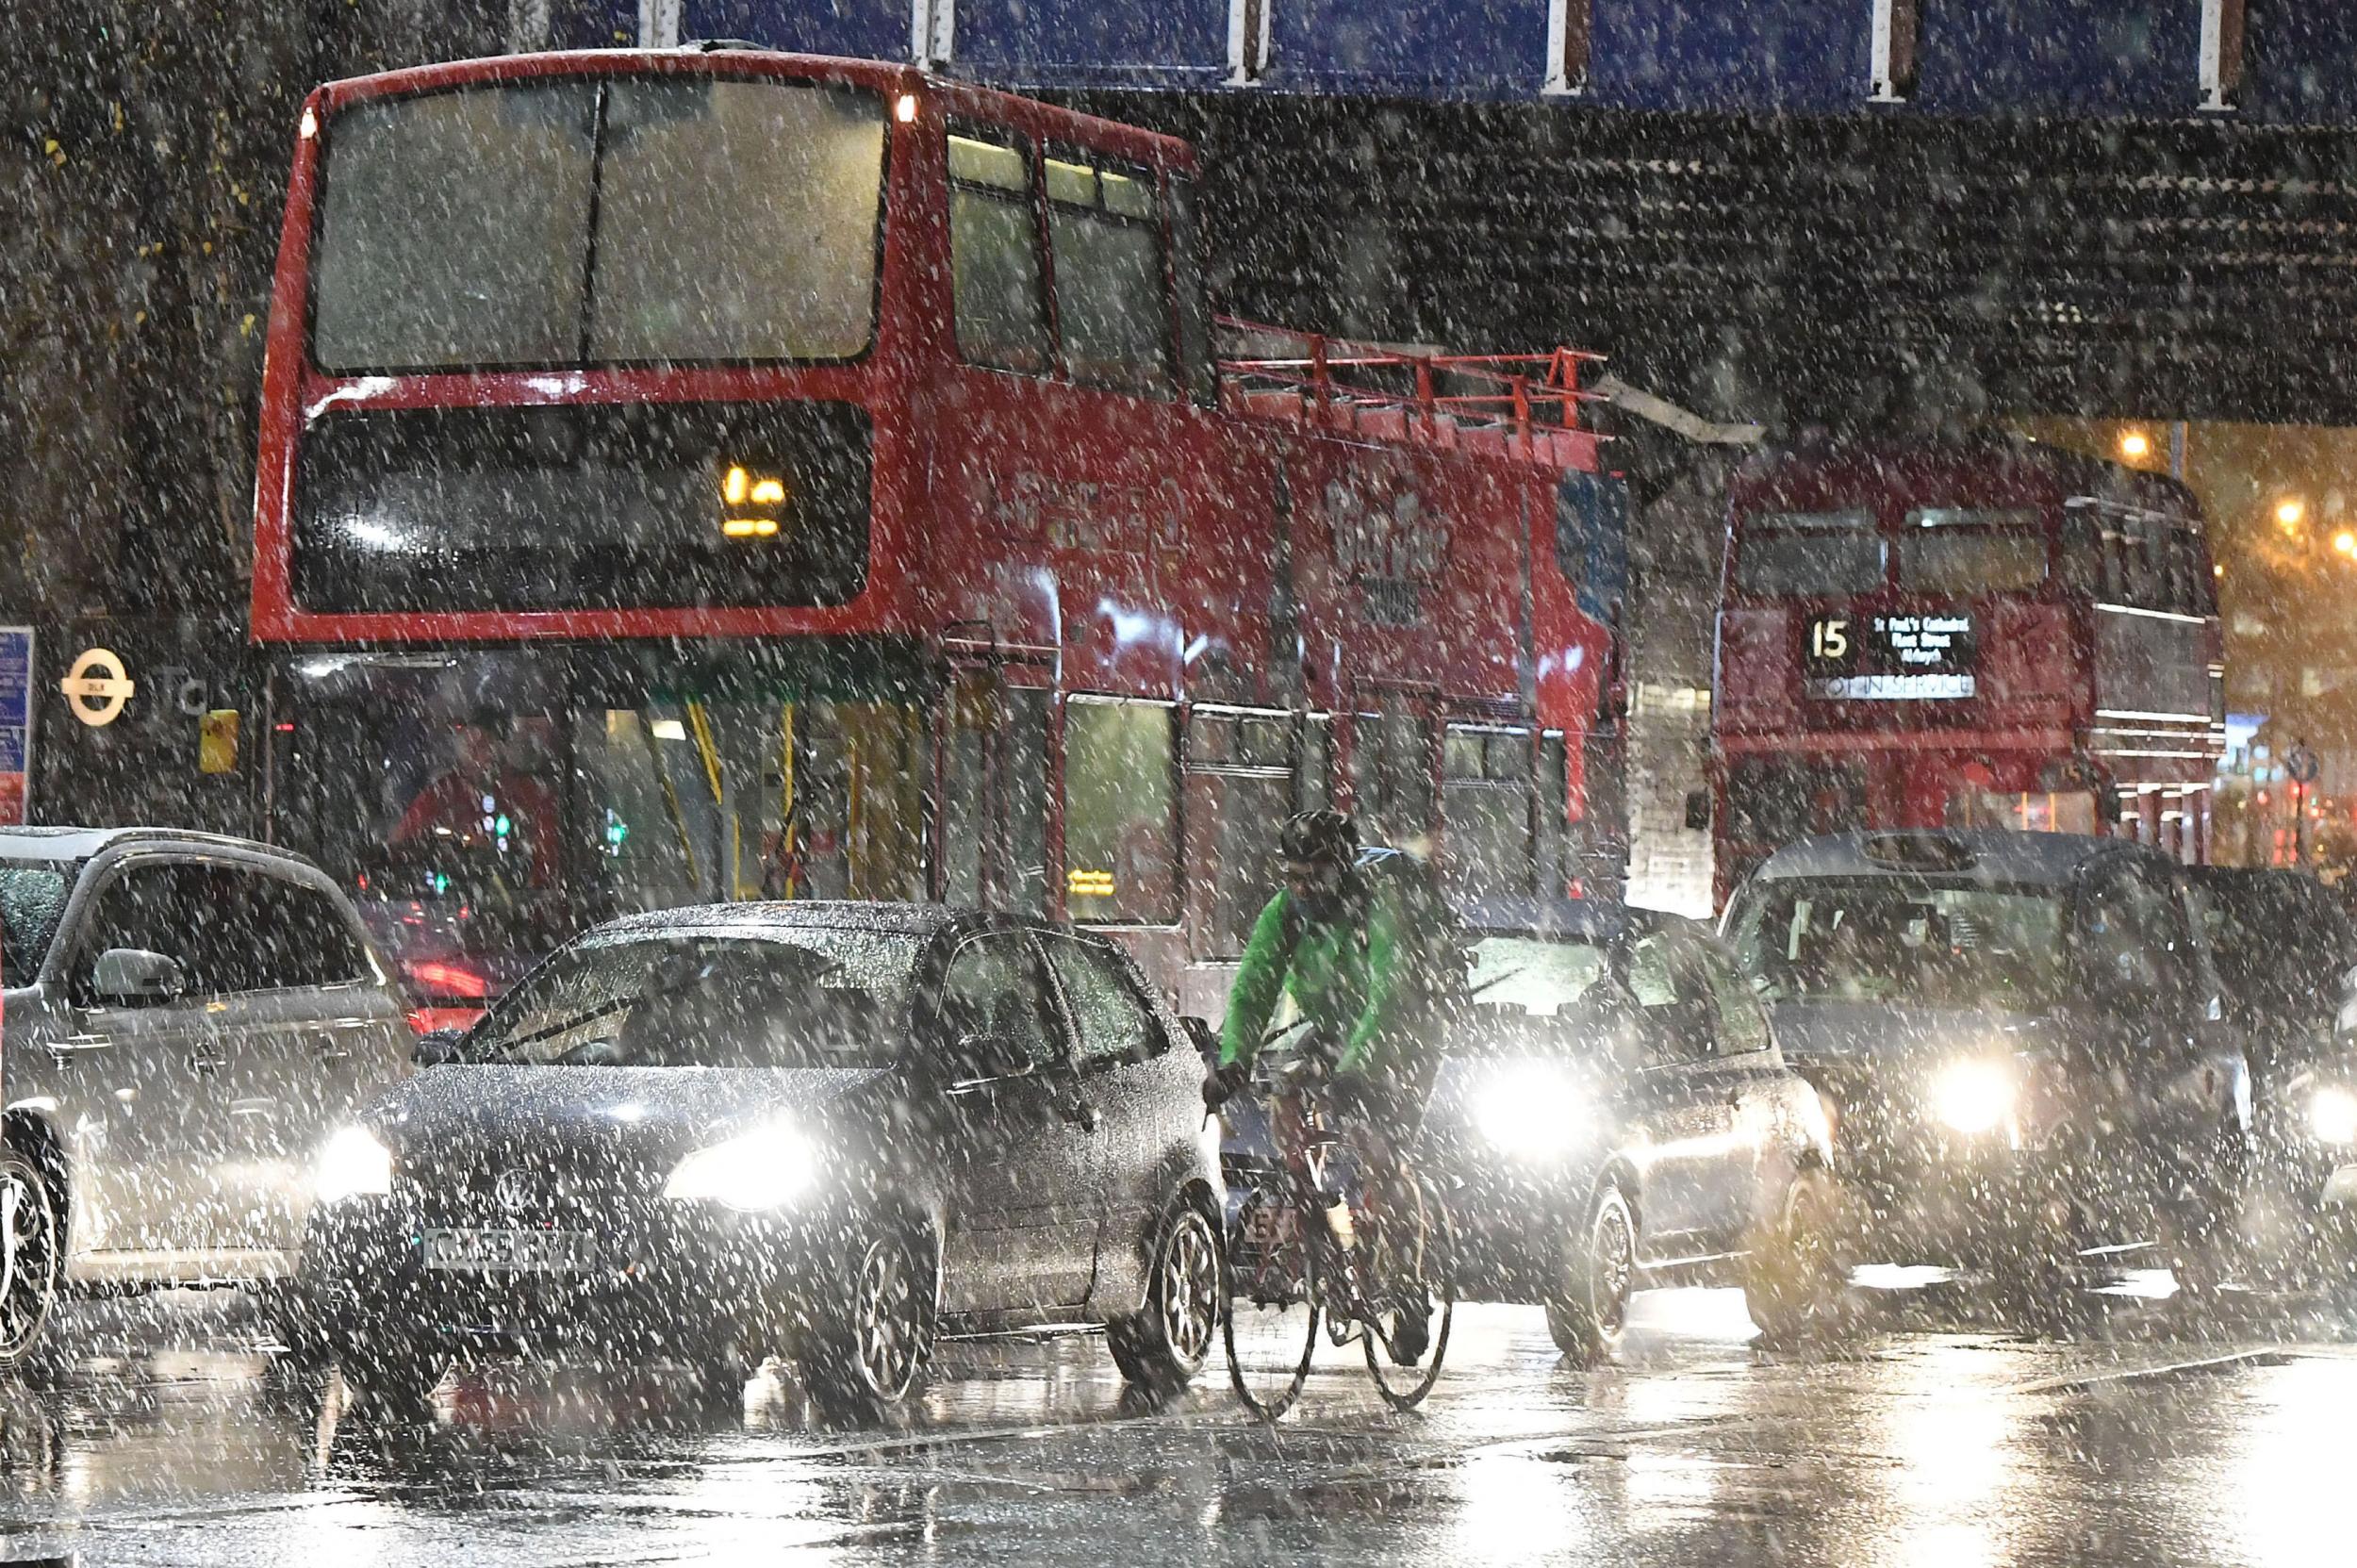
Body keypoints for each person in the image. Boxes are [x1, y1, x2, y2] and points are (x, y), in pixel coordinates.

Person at [1202, 809, 1446, 1362]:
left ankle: (1408, 1287)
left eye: (1313, 876)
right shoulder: (1288, 912)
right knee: (1283, 1095)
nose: (1301, 888)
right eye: (1292, 876)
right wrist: (1234, 1061)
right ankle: (1313, 1216)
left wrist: (1356, 1074)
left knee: (1378, 1153)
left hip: (1406, 1033)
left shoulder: (1382, 901)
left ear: (1342, 866)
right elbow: (1253, 988)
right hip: (1335, 1029)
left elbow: (1391, 991)